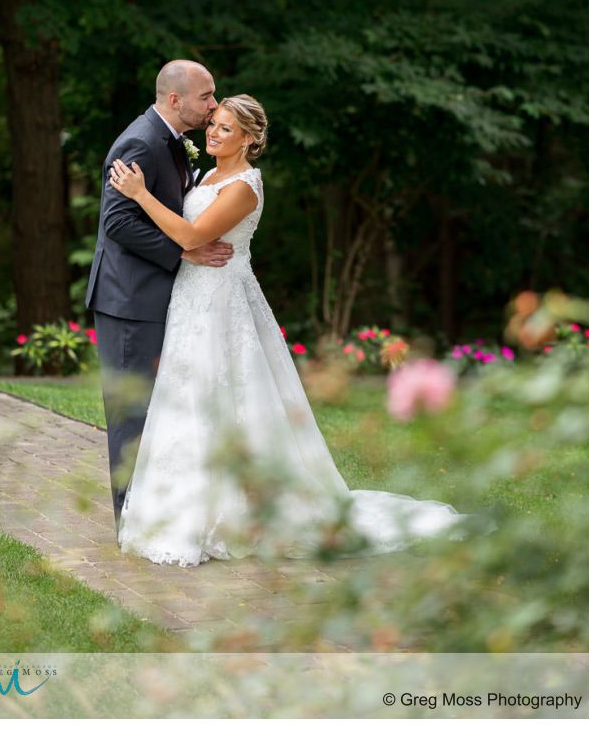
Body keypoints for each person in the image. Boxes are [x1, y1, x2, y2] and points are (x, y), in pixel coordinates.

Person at [109, 94, 478, 567]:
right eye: (213, 125)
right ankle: (179, 512)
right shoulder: (205, 174)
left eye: (225, 129)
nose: (213, 134)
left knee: (229, 397)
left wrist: (139, 196)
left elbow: (191, 236)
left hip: (222, 304)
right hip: (191, 301)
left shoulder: (245, 185)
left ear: (250, 138)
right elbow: (190, 241)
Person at [85, 60, 235, 536]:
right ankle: (129, 525)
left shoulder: (171, 141)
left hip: (154, 296)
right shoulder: (140, 142)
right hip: (128, 302)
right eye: (206, 97)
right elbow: (117, 223)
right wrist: (184, 251)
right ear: (175, 100)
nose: (213, 105)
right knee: (131, 415)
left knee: (156, 411)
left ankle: (154, 515)